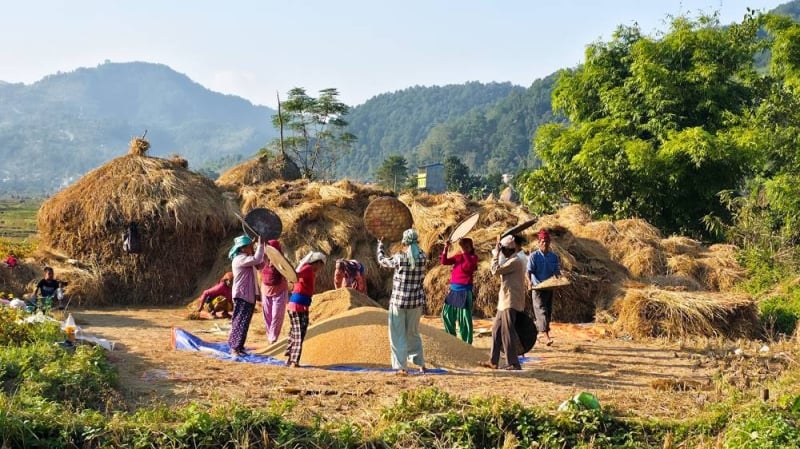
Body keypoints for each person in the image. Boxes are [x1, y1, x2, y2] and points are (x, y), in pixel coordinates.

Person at [377, 229, 428, 375]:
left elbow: (382, 261)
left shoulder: (399, 257)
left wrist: (380, 246)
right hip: (415, 303)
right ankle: (420, 364)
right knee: (413, 333)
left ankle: (401, 367)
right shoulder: (423, 257)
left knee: (397, 335)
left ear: (404, 242)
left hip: (398, 302)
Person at [482, 234, 527, 370]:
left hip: (510, 300)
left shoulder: (515, 261)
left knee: (507, 332)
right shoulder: (512, 260)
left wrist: (495, 254)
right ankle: (493, 361)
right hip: (505, 301)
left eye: (503, 250)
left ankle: (513, 363)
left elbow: (495, 270)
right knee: (496, 330)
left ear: (508, 250)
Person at [286, 251, 326, 367]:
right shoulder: (307, 268)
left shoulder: (310, 270)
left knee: (296, 332)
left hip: (300, 305)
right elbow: (296, 276)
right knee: (298, 333)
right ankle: (294, 361)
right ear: (317, 263)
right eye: (321, 265)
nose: (320, 268)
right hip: (297, 305)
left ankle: (290, 359)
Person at [227, 235, 264, 357]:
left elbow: (258, 264)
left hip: (247, 295)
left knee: (244, 322)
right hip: (242, 294)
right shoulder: (240, 259)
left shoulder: (246, 259)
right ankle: (235, 348)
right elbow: (257, 259)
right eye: (249, 247)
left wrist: (257, 294)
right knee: (240, 321)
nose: (251, 248)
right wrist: (260, 244)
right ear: (242, 248)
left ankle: (239, 346)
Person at [440, 237, 478, 344]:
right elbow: (444, 261)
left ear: (471, 248)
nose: (464, 248)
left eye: (467, 247)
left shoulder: (473, 258)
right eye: (463, 246)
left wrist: (464, 252)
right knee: (446, 315)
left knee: (464, 319)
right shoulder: (459, 257)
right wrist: (446, 248)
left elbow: (468, 267)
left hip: (464, 291)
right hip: (454, 291)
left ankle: (466, 344)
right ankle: (451, 338)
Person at [527, 228, 561, 346]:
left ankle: (535, 333)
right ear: (539, 242)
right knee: (542, 311)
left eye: (547, 241)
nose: (545, 243)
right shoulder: (534, 256)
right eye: (542, 241)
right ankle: (546, 336)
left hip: (549, 288)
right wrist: (529, 283)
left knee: (548, 311)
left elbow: (556, 272)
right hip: (538, 288)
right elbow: (528, 271)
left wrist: (559, 280)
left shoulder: (553, 257)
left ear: (550, 242)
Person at [261, 239, 289, 344]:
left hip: (279, 290)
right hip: (266, 290)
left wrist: (279, 265)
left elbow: (287, 272)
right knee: (267, 315)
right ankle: (269, 335)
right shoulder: (263, 258)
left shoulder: (281, 260)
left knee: (277, 315)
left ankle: (273, 337)